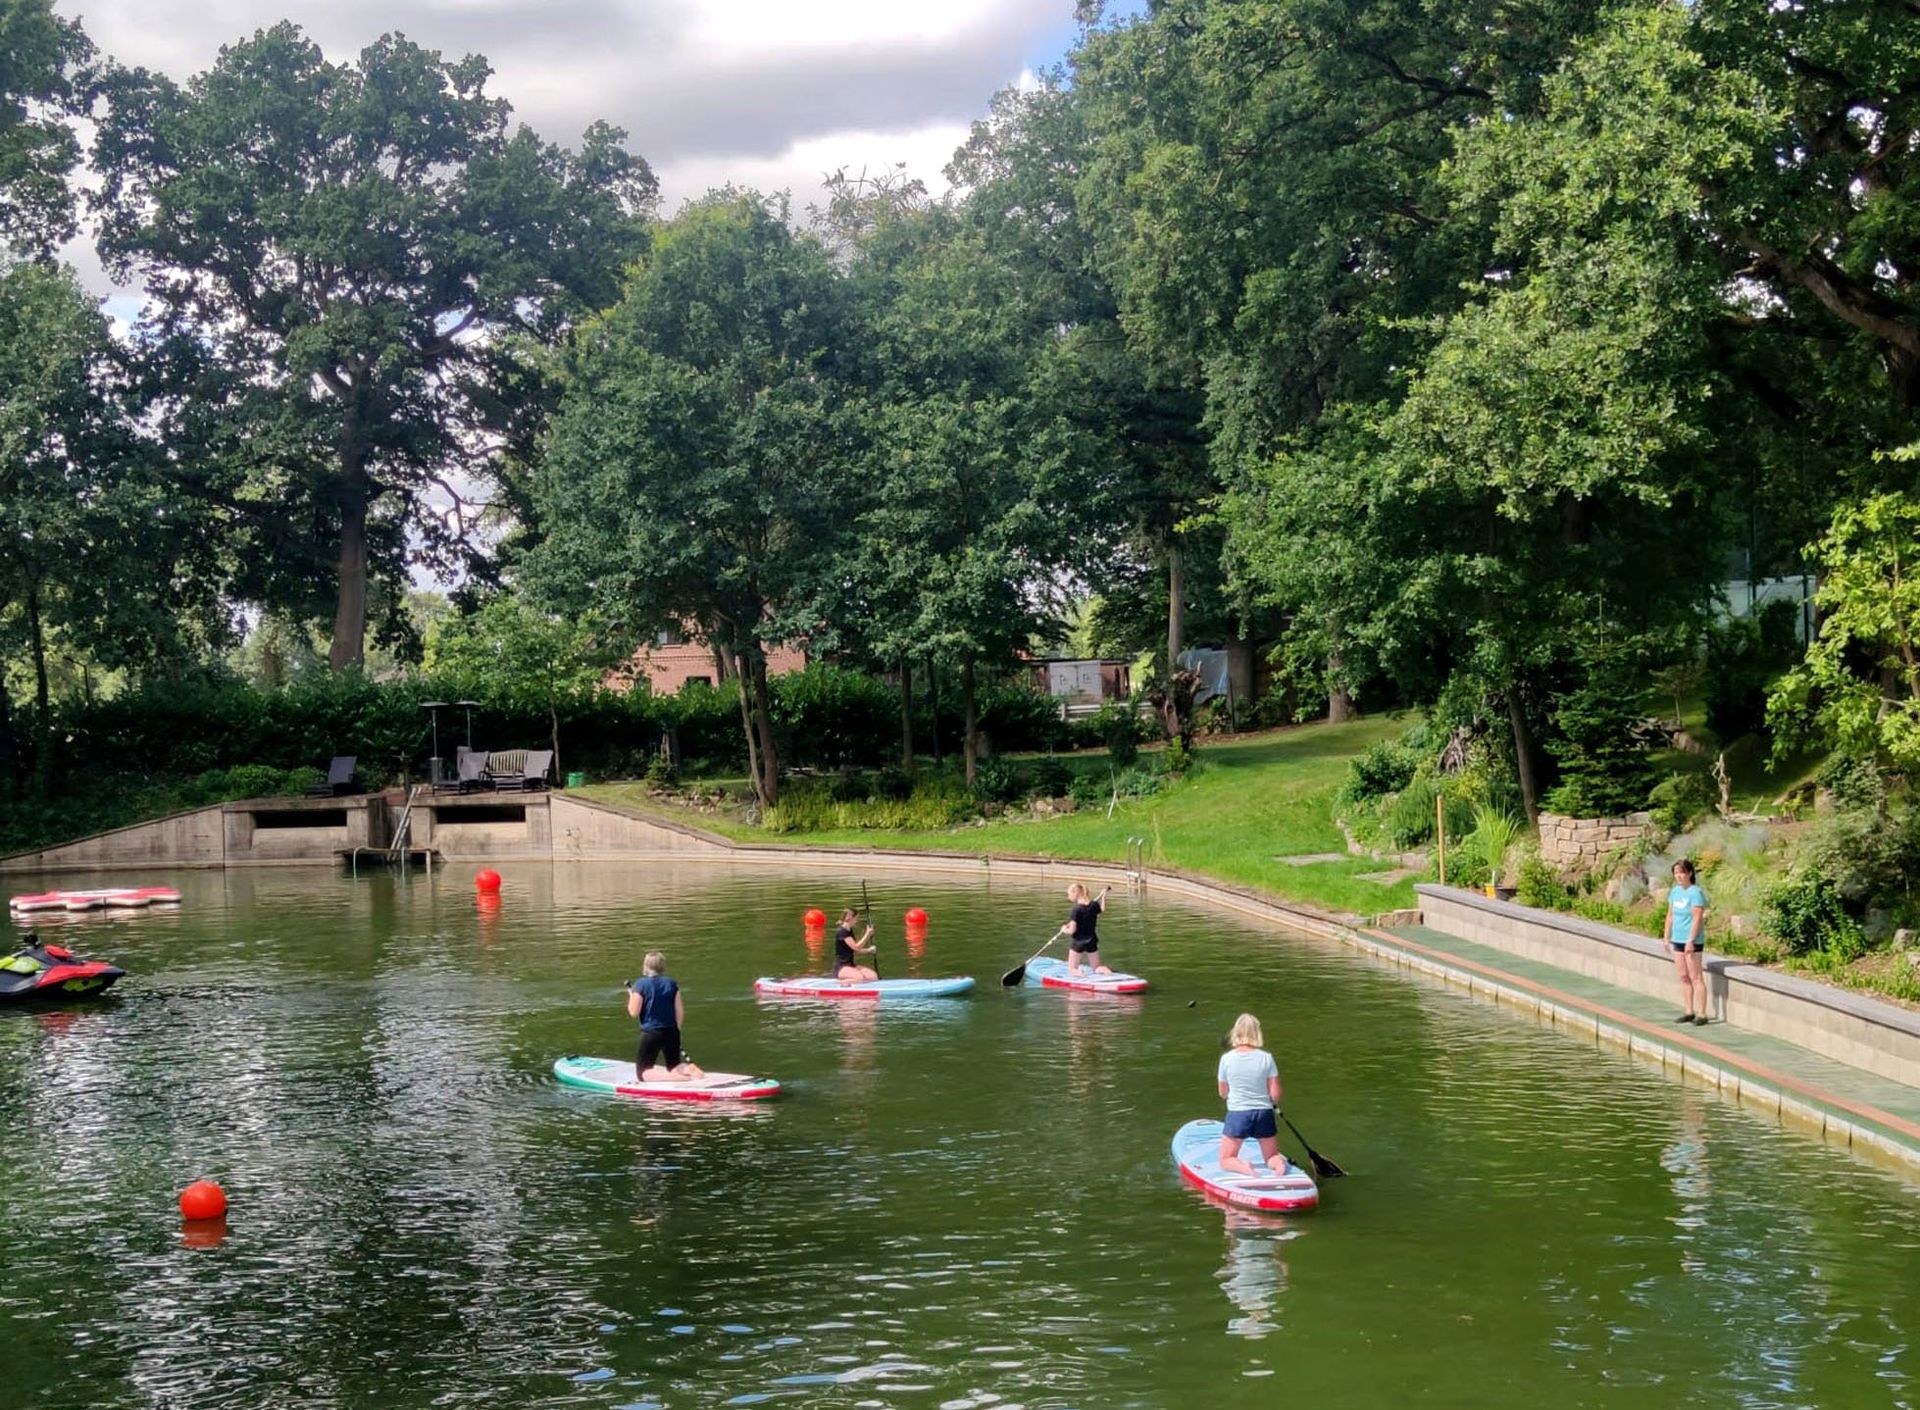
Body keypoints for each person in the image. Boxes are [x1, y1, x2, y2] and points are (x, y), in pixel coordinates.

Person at [1216, 1012, 1287, 1177]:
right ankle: (1278, 1166)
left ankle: (1244, 1168)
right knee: (1271, 1156)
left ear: (1236, 1032)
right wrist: (1270, 1102)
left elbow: (1222, 1093)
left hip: (1238, 1114)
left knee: (1226, 1159)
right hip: (1264, 1113)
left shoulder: (1226, 1059)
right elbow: (1275, 1093)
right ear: (1257, 1033)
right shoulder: (1267, 1058)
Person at [626, 951, 703, 1081]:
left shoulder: (640, 984)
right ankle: (689, 1070)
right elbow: (680, 1011)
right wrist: (676, 1030)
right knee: (674, 1065)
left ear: (645, 966)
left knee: (642, 1073)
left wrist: (631, 996)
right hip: (672, 1031)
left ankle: (673, 1078)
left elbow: (634, 1012)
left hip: (651, 1033)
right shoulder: (672, 984)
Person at [1664, 859, 1711, 1025]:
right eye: (1676, 873)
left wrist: (1691, 940)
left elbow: (1697, 918)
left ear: (1690, 873)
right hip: (1677, 939)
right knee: (1683, 976)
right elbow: (1670, 915)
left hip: (1692, 940)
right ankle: (1688, 1011)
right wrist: (1666, 936)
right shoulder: (1675, 892)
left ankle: (1702, 1013)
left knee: (1695, 976)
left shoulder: (1695, 892)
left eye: (1682, 872)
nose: (1679, 876)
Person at [1059, 882, 1111, 976]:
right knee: (1096, 968)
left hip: (1079, 942)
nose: (1068, 897)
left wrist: (1063, 929)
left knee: (1072, 969)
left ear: (1076, 893)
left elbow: (1072, 931)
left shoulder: (1076, 910)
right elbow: (1102, 909)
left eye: (1069, 894)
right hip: (1092, 941)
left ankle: (1080, 973)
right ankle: (1106, 971)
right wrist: (1103, 896)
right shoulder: (1094, 905)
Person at [833, 908, 879, 983]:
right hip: (841, 967)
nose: (857, 921)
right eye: (856, 918)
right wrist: (867, 934)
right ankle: (838, 984)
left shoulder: (849, 931)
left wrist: (869, 950)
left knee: (873, 977)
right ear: (850, 918)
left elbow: (855, 950)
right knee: (859, 978)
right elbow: (856, 948)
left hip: (851, 965)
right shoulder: (842, 932)